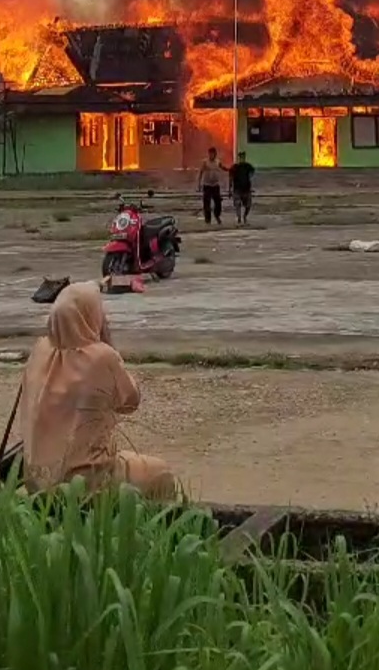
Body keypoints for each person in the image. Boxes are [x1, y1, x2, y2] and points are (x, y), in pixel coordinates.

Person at [19, 279, 177, 498]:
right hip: (85, 479)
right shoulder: (101, 356)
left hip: (37, 478)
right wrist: (107, 342)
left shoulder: (40, 350)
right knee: (160, 472)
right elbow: (130, 402)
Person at [198, 146, 225, 225]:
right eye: (210, 153)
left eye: (212, 154)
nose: (211, 155)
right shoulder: (205, 162)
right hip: (207, 185)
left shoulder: (218, 162)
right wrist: (199, 184)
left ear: (215, 154)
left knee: (218, 203)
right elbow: (201, 172)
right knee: (207, 204)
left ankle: (217, 215)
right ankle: (208, 220)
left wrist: (230, 170)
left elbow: (222, 168)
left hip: (215, 185)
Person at [229, 151, 255, 226]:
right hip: (237, 189)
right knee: (237, 204)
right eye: (241, 158)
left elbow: (252, 171)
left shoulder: (247, 166)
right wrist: (230, 189)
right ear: (239, 158)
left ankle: (244, 216)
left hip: (246, 189)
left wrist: (250, 177)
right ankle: (239, 218)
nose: (242, 159)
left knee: (248, 205)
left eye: (243, 158)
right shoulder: (235, 167)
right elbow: (230, 177)